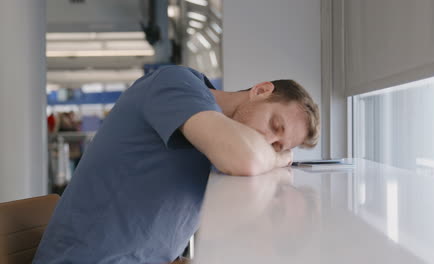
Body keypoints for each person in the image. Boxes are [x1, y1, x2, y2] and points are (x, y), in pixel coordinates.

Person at [33, 65, 320, 264]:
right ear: (260, 90)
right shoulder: (175, 84)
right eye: (274, 125)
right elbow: (245, 158)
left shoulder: (218, 145)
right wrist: (282, 156)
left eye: (278, 145)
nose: (266, 140)